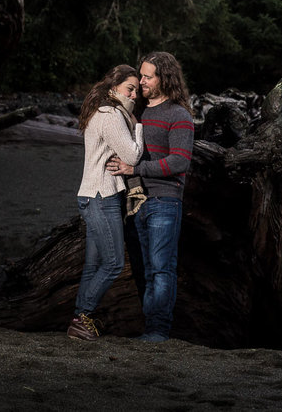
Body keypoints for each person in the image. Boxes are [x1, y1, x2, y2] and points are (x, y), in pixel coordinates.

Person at [108, 51, 194, 342]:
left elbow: (180, 162)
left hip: (164, 202)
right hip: (134, 202)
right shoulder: (138, 111)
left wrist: (136, 167)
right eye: (141, 75)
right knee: (144, 270)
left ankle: (158, 330)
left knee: (161, 269)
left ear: (164, 78)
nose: (141, 81)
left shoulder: (178, 115)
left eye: (147, 76)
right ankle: (149, 328)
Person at [67, 64, 144, 341]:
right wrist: (139, 128)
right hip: (102, 197)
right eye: (129, 89)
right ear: (114, 88)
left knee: (93, 265)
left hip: (93, 196)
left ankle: (80, 320)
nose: (134, 94)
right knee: (112, 263)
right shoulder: (111, 115)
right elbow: (133, 156)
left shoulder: (104, 111)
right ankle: (81, 316)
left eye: (137, 90)